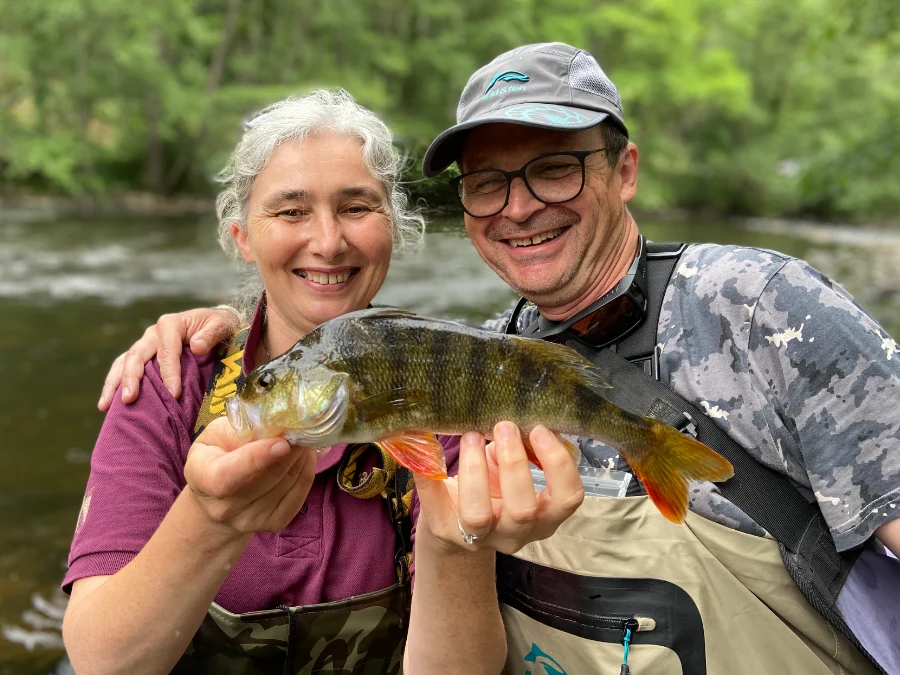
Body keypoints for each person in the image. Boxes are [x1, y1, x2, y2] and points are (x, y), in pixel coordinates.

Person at [100, 44, 900, 674]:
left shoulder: (764, 305)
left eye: (553, 166)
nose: (519, 206)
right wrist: (220, 326)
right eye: (487, 184)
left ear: (624, 170)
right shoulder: (485, 356)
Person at [62, 89, 585, 675]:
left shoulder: (443, 399)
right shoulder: (169, 382)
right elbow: (102, 663)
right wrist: (211, 520)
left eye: (357, 207)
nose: (329, 241)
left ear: (395, 229)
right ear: (242, 237)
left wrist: (452, 543)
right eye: (291, 211)